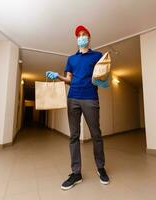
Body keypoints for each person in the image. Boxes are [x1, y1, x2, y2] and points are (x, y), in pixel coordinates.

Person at [46, 25, 110, 190]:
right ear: (76, 39)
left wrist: (103, 80)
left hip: (90, 98)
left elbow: (102, 74)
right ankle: (76, 173)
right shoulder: (71, 59)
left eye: (84, 35)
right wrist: (58, 76)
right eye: (79, 35)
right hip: (73, 98)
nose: (81, 37)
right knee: (74, 136)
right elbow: (69, 79)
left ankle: (101, 168)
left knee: (96, 134)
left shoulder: (97, 55)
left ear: (89, 38)